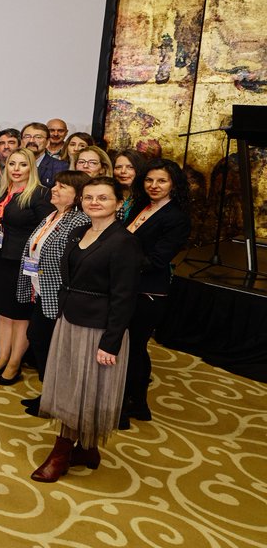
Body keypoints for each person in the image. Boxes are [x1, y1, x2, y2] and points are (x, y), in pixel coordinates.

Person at [32, 176, 141, 483]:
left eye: (103, 198)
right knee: (71, 383)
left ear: (118, 204)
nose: (94, 202)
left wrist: (111, 342)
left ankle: (61, 453)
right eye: (89, 197)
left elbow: (125, 298)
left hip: (99, 328)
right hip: (70, 319)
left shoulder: (125, 243)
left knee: (83, 389)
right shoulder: (79, 230)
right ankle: (87, 448)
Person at [16, 170, 92, 416]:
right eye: (56, 185)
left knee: (48, 344)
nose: (55, 189)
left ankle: (56, 399)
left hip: (59, 295)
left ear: (77, 195)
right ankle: (49, 394)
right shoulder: (53, 215)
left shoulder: (79, 221)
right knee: (40, 339)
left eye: (62, 187)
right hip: (42, 290)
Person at [121, 159, 191, 428]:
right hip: (128, 286)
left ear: (173, 184)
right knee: (131, 348)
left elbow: (158, 259)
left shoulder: (176, 217)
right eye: (149, 180)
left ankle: (129, 406)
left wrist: (116, 263)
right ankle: (138, 404)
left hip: (148, 292)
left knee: (134, 349)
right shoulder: (142, 205)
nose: (154, 185)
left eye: (161, 181)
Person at [0, 148, 54, 385]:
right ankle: (3, 357)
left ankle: (15, 362)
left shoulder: (39, 194)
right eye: (12, 164)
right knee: (4, 312)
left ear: (31, 168)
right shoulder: (5, 191)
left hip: (24, 263)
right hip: (3, 258)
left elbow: (47, 230)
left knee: (20, 315)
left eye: (22, 165)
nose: (16, 169)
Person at [22, 122, 69, 189]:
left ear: (47, 142)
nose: (31, 140)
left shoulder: (60, 167)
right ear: (21, 141)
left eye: (38, 137)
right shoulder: (13, 165)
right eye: (27, 136)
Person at [112, 149, 148, 224]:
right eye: (118, 167)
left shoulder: (146, 198)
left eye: (130, 167)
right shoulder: (109, 194)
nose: (123, 171)